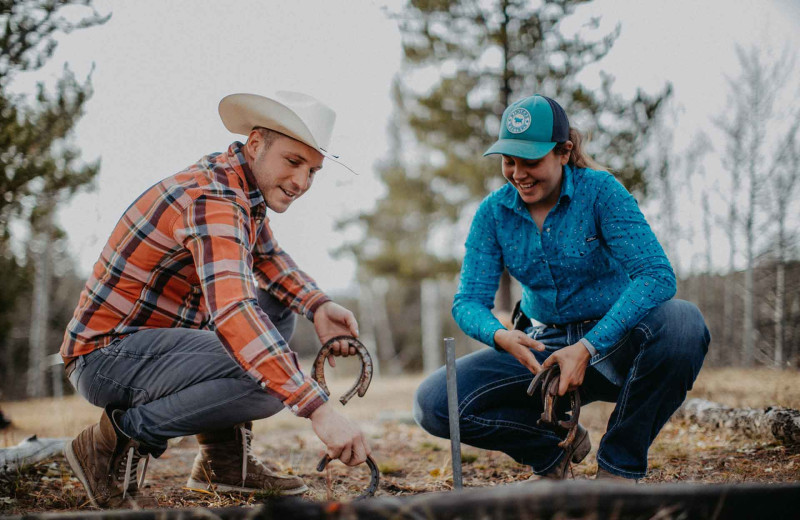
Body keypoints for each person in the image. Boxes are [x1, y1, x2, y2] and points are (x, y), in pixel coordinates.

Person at [60, 91, 370, 507]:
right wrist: (318, 409)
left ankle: (222, 465)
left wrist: (317, 305)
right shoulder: (214, 199)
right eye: (293, 162)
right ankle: (112, 442)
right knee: (269, 381)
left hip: (155, 349)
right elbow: (234, 310)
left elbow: (269, 259)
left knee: (276, 312)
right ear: (256, 144)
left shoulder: (240, 188)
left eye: (313, 171)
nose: (301, 183)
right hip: (106, 358)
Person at [413, 94, 709, 482]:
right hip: (543, 352)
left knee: (684, 322)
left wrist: (588, 347)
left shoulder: (601, 192)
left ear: (564, 152)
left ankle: (618, 470)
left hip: (616, 343)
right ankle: (552, 452)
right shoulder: (492, 213)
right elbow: (468, 301)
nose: (518, 173)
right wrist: (502, 336)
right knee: (435, 402)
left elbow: (657, 275)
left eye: (531, 161)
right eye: (509, 161)